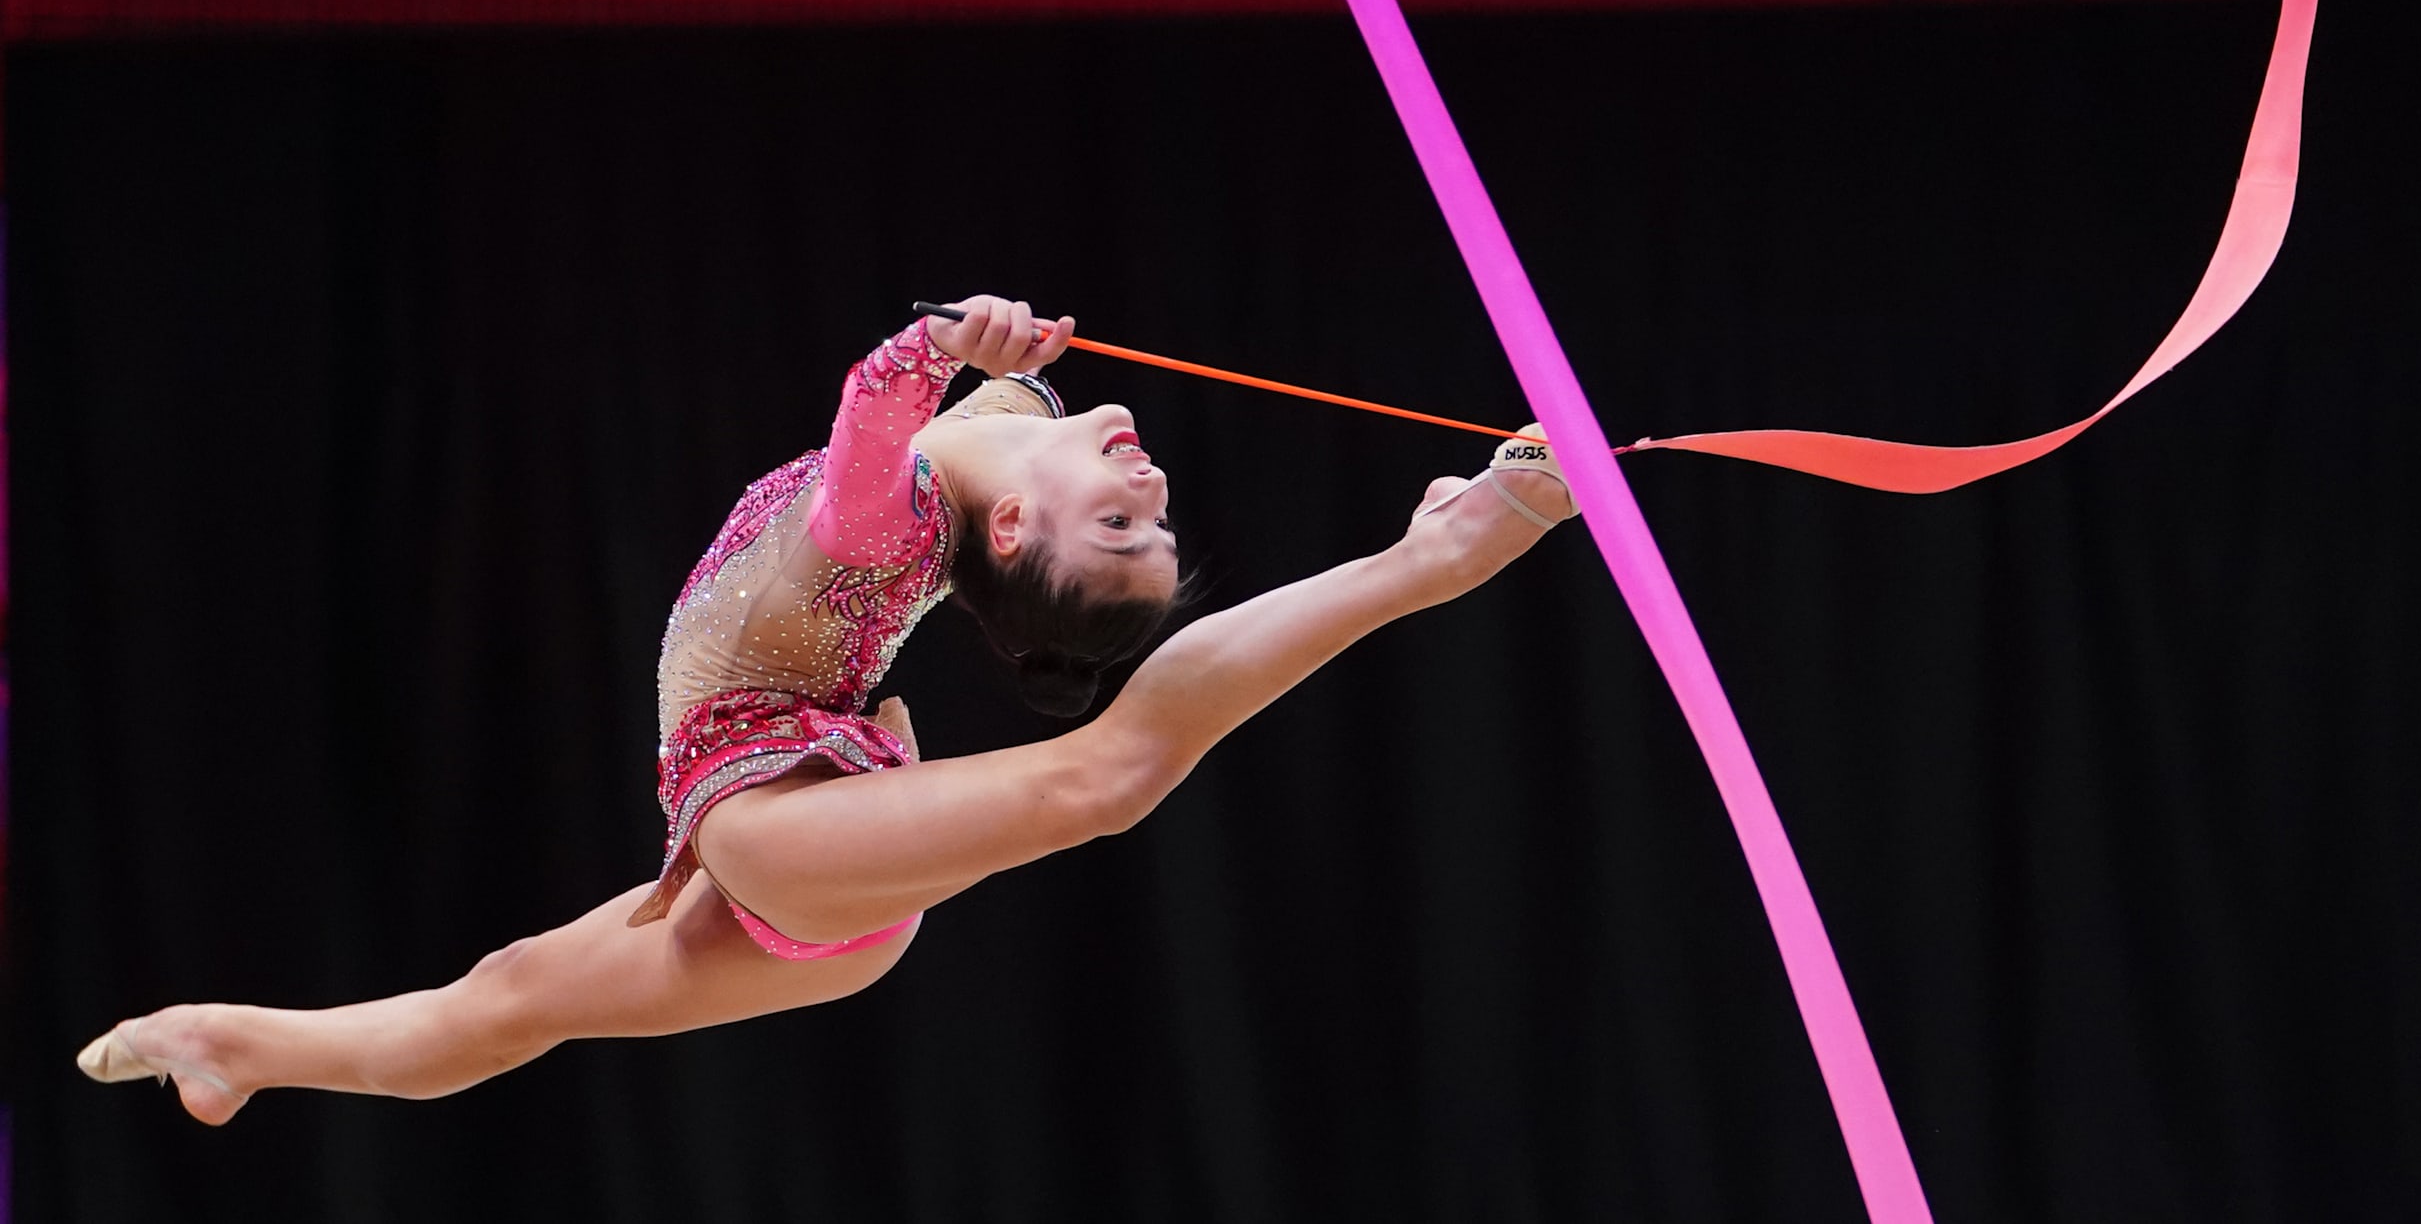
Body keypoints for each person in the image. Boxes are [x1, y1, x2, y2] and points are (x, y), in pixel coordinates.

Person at [76, 295, 1578, 1125]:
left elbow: (874, 427)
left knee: (1102, 780)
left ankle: (1435, 557)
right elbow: (982, 413)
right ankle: (245, 1047)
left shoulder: (900, 508)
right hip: (809, 853)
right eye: (1151, 522)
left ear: (1008, 548)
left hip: (778, 834)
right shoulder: (1016, 427)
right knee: (505, 998)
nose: (1155, 488)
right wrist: (989, 365)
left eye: (1128, 532)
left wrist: (932, 347)